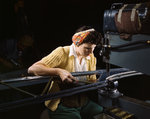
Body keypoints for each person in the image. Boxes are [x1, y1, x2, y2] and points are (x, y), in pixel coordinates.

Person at [28, 25, 103, 119]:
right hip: (62, 103)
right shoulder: (62, 52)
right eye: (87, 48)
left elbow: (91, 81)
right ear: (76, 43)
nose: (91, 52)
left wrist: (101, 82)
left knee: (100, 112)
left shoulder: (91, 58)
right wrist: (58, 71)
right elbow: (32, 69)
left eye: (93, 48)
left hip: (82, 101)